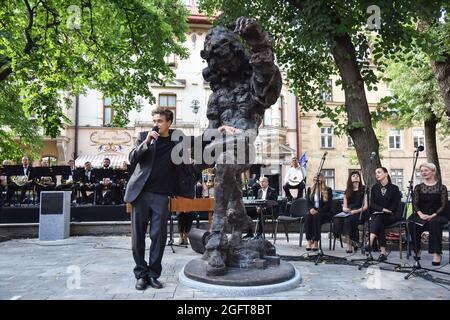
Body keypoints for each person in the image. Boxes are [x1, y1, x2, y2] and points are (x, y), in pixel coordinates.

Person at [124, 107, 200, 291]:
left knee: (159, 237)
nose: (156, 124)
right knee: (138, 238)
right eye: (154, 121)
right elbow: (132, 158)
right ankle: (141, 274)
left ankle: (153, 274)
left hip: (161, 195)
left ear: (169, 123)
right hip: (140, 193)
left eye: (159, 121)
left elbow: (198, 143)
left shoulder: (177, 140)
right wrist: (147, 142)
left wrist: (219, 131)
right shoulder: (144, 136)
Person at [410, 163, 448, 266]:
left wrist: (433, 215)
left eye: (426, 170)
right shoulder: (418, 187)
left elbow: (444, 205)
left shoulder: (441, 187)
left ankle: (436, 253)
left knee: (434, 223)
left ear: (433, 172)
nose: (423, 173)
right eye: (421, 171)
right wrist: (421, 214)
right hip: (421, 213)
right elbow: (415, 203)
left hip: (438, 214)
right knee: (412, 222)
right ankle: (417, 250)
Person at [368, 167, 402, 262]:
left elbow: (395, 204)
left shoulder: (394, 188)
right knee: (380, 222)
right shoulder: (374, 188)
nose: (377, 174)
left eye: (379, 172)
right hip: (379, 215)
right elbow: (372, 204)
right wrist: (382, 209)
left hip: (391, 215)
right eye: (376, 173)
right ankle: (383, 253)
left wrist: (387, 210)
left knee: (378, 219)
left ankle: (369, 242)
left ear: (386, 174)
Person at [332, 171, 368, 253]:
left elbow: (366, 206)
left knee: (348, 220)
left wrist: (356, 211)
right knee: (337, 218)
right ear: (350, 179)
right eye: (353, 176)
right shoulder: (347, 190)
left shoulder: (364, 189)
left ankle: (349, 244)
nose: (355, 177)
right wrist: (345, 209)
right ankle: (342, 237)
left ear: (359, 178)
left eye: (357, 176)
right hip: (349, 211)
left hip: (360, 212)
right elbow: (344, 206)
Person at [305, 174, 333, 250]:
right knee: (308, 215)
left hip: (324, 212)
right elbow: (308, 202)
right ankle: (309, 240)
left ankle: (316, 241)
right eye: (315, 178)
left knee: (316, 216)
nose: (316, 179)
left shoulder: (328, 190)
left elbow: (329, 204)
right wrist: (311, 209)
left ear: (322, 179)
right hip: (313, 211)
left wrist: (318, 211)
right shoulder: (310, 189)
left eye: (318, 178)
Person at [177, 178, 203, 245]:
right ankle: (181, 236)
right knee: (180, 215)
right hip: (180, 200)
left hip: (191, 200)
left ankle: (186, 236)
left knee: (190, 215)